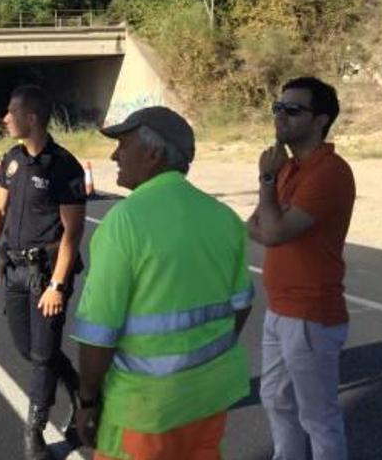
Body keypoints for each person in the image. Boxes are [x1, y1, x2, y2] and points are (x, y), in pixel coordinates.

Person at [72, 106, 253, 460]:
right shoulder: (224, 219)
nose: (114, 155)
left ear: (153, 154)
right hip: (207, 400)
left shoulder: (124, 223)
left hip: (144, 412)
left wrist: (88, 400)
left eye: (123, 145)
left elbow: (98, 333)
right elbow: (242, 304)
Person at [248, 77, 354, 460]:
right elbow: (253, 225)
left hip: (311, 312)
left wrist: (266, 180)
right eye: (278, 107)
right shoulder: (290, 168)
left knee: (319, 417)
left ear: (321, 120)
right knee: (274, 398)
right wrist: (273, 195)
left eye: (293, 110)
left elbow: (271, 232)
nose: (281, 115)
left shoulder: (329, 173)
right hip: (280, 308)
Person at [0, 85, 86, 460]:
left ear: (32, 118)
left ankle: (35, 431)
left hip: (47, 275)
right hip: (15, 270)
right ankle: (80, 390)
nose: (5, 118)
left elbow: (73, 232)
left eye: (11, 112)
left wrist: (57, 284)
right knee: (29, 349)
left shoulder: (64, 167)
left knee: (42, 357)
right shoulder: (11, 159)